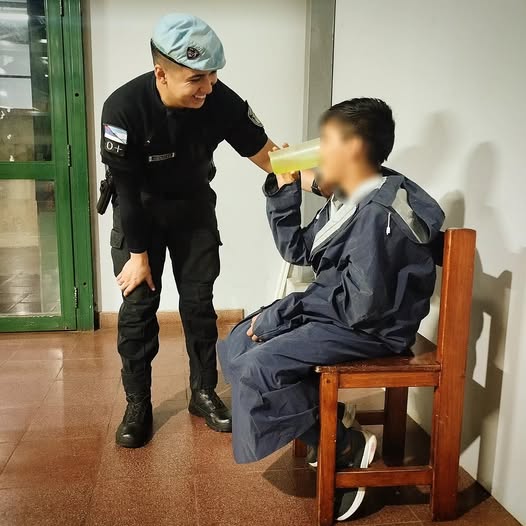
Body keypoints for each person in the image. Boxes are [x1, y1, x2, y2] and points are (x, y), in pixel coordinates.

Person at [100, 13, 321, 448]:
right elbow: (125, 189)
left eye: (214, 76)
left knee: (199, 305)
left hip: (193, 211)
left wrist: (325, 181)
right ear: (161, 74)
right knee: (138, 309)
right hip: (137, 214)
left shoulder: (219, 100)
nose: (208, 87)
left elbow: (267, 154)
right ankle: (137, 403)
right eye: (197, 78)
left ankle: (202, 392)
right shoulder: (123, 108)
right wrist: (139, 257)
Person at [218, 98, 445, 520]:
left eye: (327, 142)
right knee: (235, 344)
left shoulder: (381, 210)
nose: (317, 152)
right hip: (341, 312)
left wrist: (285, 312)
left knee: (257, 368)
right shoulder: (353, 195)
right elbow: (299, 249)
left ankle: (345, 446)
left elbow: (365, 304)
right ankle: (330, 425)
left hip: (371, 326)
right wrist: (286, 188)